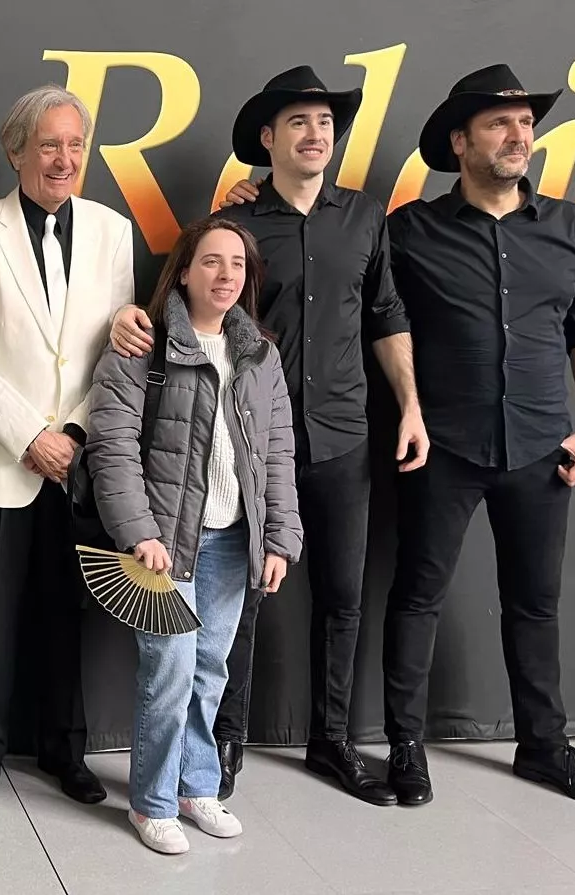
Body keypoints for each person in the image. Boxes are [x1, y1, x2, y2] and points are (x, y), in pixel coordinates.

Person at [114, 65, 427, 805]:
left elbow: (386, 317)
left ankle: (331, 742)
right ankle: (220, 746)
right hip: (253, 448)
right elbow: (185, 318)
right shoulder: (238, 225)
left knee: (343, 598)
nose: (314, 134)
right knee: (241, 600)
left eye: (323, 122)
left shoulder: (364, 218)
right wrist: (129, 318)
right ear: (267, 138)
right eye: (297, 123)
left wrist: (409, 404)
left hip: (346, 435)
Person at [373, 64, 575, 808]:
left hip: (543, 447)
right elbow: (387, 324)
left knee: (535, 603)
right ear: (460, 142)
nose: (519, 136)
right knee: (416, 596)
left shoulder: (569, 225)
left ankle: (544, 748)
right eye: (499, 124)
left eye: (525, 123)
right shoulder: (408, 231)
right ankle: (405, 747)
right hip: (441, 445)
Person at [0, 84, 134, 813]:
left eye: (74, 145)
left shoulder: (113, 230)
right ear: (15, 149)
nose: (62, 159)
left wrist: (75, 435)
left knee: (68, 614)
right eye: (48, 144)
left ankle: (65, 750)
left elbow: (115, 349)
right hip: (0, 456)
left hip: (80, 461)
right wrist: (30, 436)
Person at [86, 216, 302, 853]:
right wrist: (137, 532)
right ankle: (151, 803)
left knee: (211, 669)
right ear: (183, 269)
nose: (225, 276)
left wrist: (279, 538)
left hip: (235, 541)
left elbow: (279, 450)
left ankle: (196, 786)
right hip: (165, 543)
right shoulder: (142, 345)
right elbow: (113, 445)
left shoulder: (260, 353)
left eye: (237, 265)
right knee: (170, 670)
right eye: (211, 262)